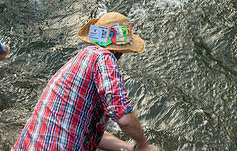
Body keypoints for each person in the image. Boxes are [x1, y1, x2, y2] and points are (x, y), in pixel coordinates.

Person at [12, 12, 159, 151]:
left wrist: (132, 149)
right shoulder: (104, 57)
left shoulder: (81, 58)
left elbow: (84, 133)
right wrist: (144, 145)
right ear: (120, 50)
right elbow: (124, 118)